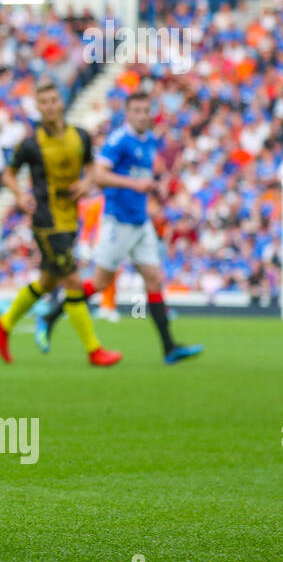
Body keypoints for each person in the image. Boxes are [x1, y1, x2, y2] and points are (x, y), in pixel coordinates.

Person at [36, 90, 203, 364]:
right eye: (136, 111)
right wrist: (134, 185)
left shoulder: (149, 140)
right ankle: (50, 315)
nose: (141, 115)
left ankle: (169, 348)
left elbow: (140, 177)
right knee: (100, 283)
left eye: (145, 110)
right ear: (127, 113)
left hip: (140, 222)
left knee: (154, 279)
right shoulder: (118, 140)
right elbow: (99, 176)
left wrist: (149, 190)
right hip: (118, 221)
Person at [0, 80, 122, 367]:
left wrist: (86, 184)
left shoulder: (81, 137)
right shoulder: (31, 144)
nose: (49, 106)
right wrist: (20, 195)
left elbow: (91, 169)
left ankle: (4, 325)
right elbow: (8, 175)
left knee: (48, 281)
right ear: (38, 106)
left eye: (53, 100)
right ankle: (94, 349)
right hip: (46, 221)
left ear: (61, 102)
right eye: (43, 102)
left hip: (71, 217)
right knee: (72, 279)